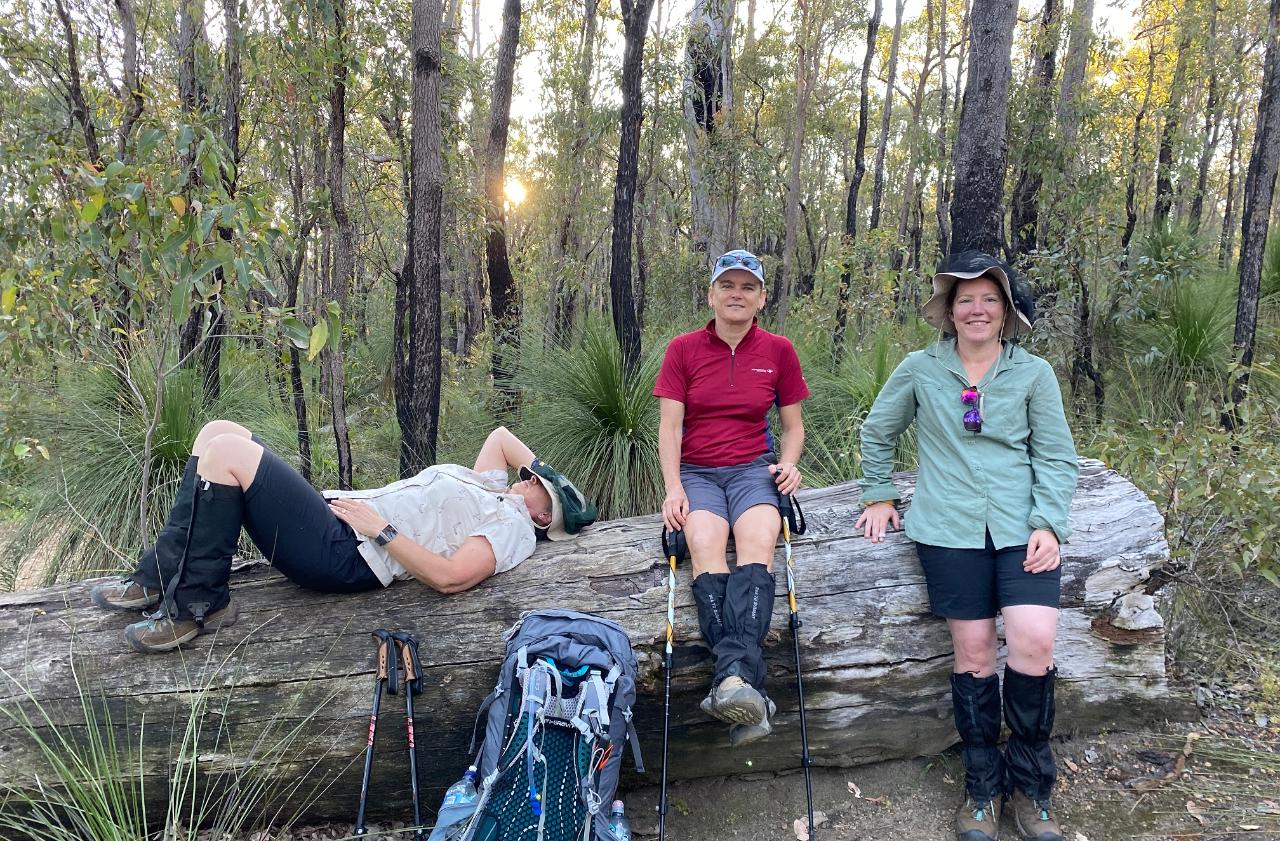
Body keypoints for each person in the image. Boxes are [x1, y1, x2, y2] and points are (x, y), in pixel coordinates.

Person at [854, 250, 1078, 841]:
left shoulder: (1033, 374)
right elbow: (877, 430)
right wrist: (879, 494)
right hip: (948, 529)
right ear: (949, 311)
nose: (977, 310)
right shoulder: (921, 369)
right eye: (966, 300)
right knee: (975, 653)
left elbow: (1056, 455)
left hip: (1020, 527)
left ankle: (1031, 786)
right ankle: (981, 786)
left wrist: (1049, 523)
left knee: (1034, 641)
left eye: (989, 299)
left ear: (1006, 311)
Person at [92, 423, 596, 653]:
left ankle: (196, 605)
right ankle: (161, 574)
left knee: (226, 454)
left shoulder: (512, 529)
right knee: (218, 433)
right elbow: (502, 437)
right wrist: (549, 475)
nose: (529, 477)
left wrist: (382, 530)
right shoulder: (493, 489)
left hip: (347, 555)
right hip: (339, 524)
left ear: (542, 519)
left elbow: (450, 578)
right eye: (533, 475)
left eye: (539, 486)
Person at [654, 249, 808, 747]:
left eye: (747, 287)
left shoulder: (779, 351)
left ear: (762, 298)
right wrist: (673, 488)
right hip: (697, 472)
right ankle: (745, 689)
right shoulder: (683, 350)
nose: (736, 294)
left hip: (751, 470)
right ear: (711, 295)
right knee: (703, 543)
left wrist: (789, 464)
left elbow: (793, 427)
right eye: (727, 285)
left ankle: (730, 681)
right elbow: (670, 427)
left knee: (758, 542)